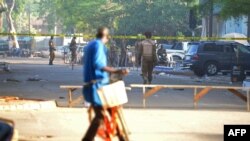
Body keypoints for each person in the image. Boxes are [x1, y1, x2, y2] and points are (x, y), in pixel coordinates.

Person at [82, 27, 128, 141]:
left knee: (112, 112)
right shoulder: (98, 45)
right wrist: (117, 71)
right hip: (96, 87)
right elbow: (99, 64)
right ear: (106, 37)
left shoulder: (90, 45)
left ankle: (122, 137)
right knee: (100, 116)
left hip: (93, 85)